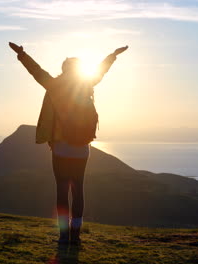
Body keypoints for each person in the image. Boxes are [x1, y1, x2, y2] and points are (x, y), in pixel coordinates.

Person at [9, 42, 128, 245]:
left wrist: (22, 54)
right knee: (78, 190)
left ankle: (63, 236)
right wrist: (112, 55)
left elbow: (35, 71)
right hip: (82, 148)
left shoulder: (54, 85)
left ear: (63, 70)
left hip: (60, 148)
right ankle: (76, 234)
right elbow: (102, 69)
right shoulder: (87, 84)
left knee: (62, 191)